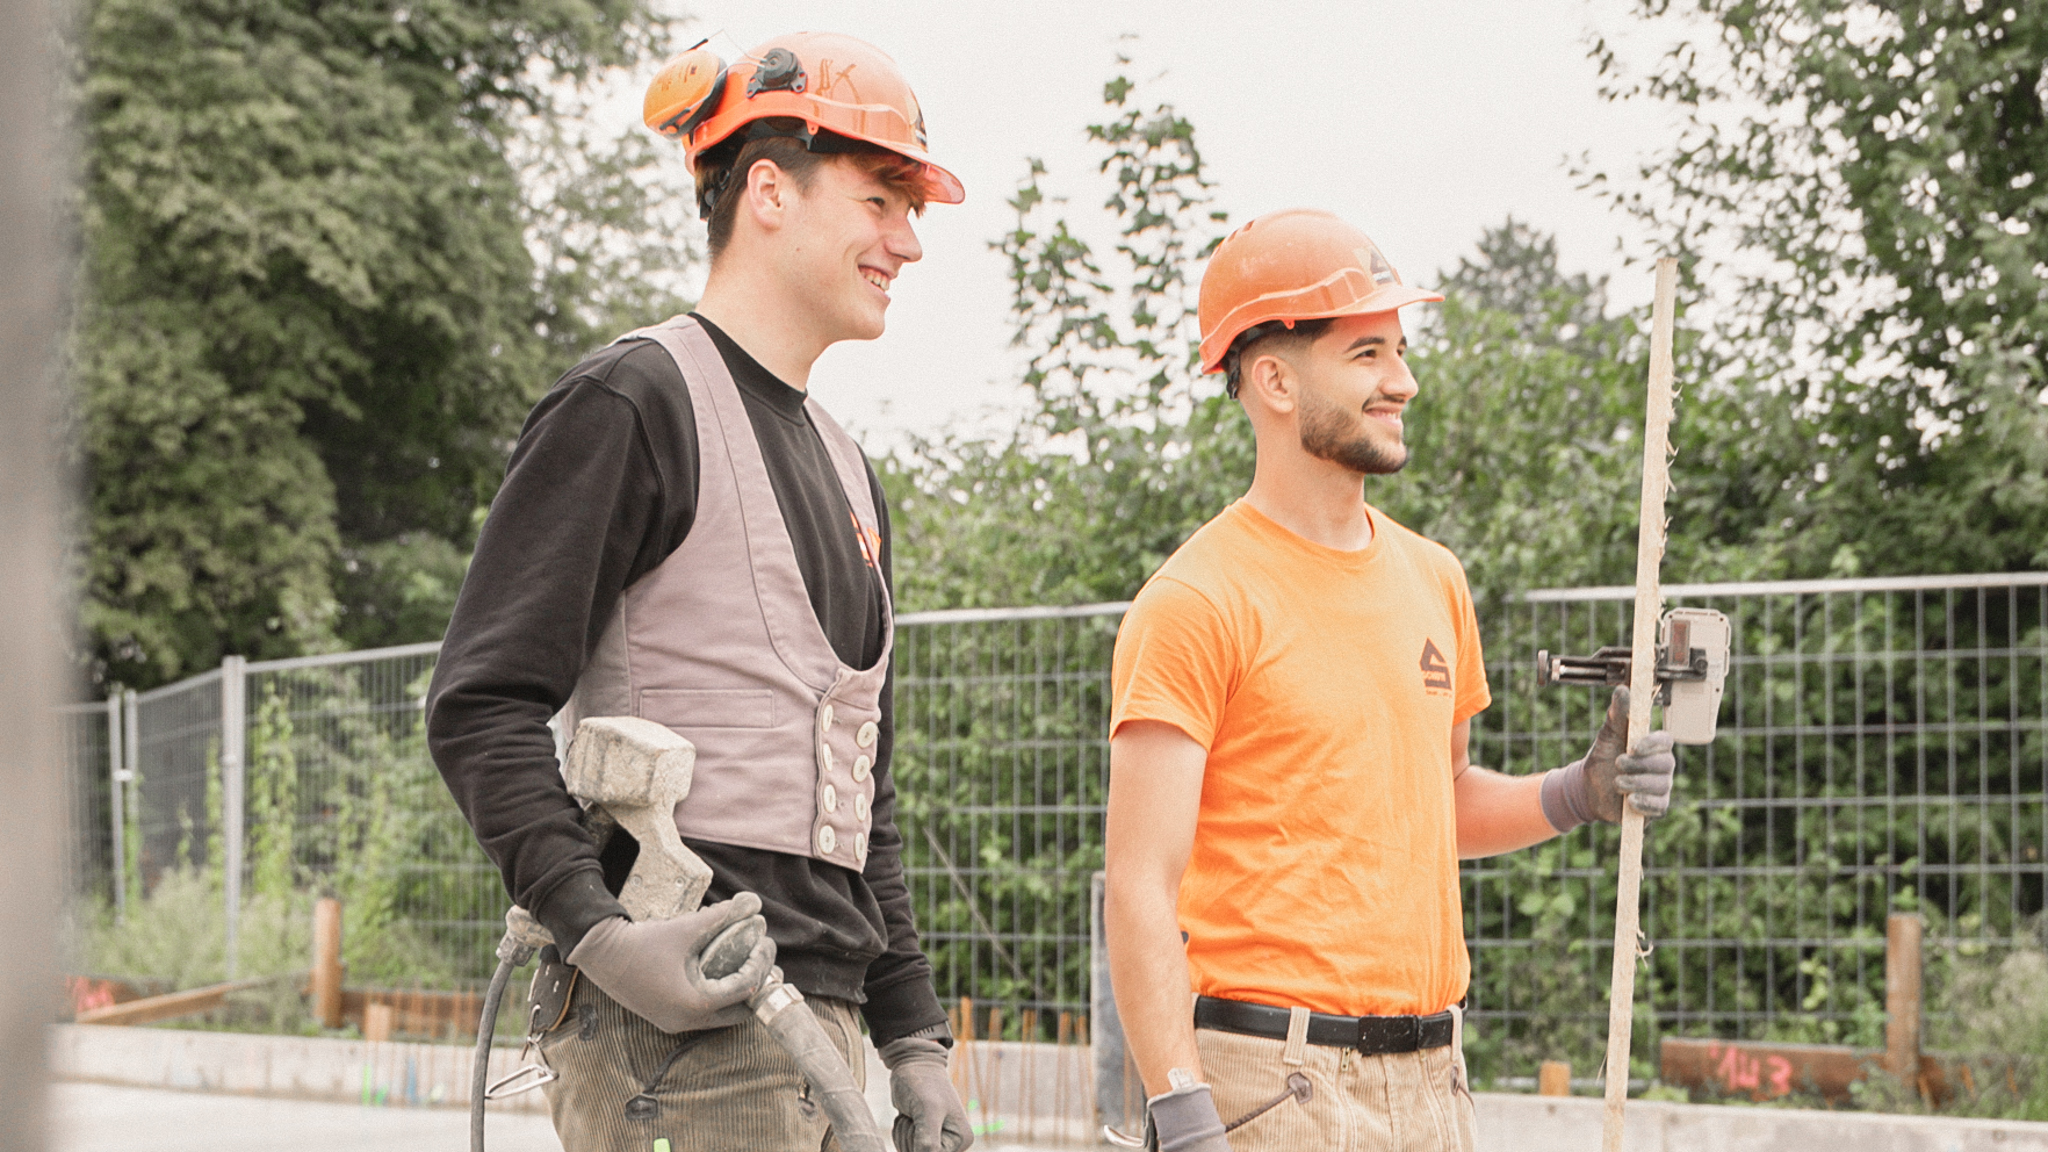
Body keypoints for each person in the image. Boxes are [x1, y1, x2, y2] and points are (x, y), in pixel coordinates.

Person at [427, 32, 973, 1152]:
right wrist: (601, 935)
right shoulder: (634, 402)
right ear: (768, 191)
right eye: (880, 200)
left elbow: (861, 790)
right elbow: (478, 703)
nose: (906, 243)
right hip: (670, 1041)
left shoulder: (848, 471)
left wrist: (910, 1035)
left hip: (816, 1028)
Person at [1102, 208, 1678, 1152]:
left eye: (1401, 351)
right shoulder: (1197, 601)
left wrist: (1578, 792)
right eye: (1368, 353)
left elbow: (1439, 800)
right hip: (1269, 1086)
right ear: (1275, 379)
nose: (1402, 381)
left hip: (1431, 1081)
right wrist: (1181, 1107)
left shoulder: (1432, 578)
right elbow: (1139, 885)